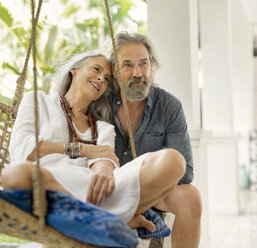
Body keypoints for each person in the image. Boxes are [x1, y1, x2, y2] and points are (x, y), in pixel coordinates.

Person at [1, 51, 186, 231]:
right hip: (43, 187)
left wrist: (103, 170)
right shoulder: (38, 101)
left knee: (174, 161)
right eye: (96, 69)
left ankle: (93, 216)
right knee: (13, 173)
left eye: (106, 79)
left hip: (93, 193)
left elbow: (104, 159)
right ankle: (98, 218)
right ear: (74, 69)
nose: (101, 79)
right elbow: (21, 149)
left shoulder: (104, 128)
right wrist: (83, 150)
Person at [108, 31, 202, 248]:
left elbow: (185, 171)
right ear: (113, 71)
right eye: (128, 65)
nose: (138, 73)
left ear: (152, 66)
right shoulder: (100, 104)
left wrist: (142, 194)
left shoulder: (169, 106)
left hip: (153, 193)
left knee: (191, 198)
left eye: (144, 63)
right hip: (110, 189)